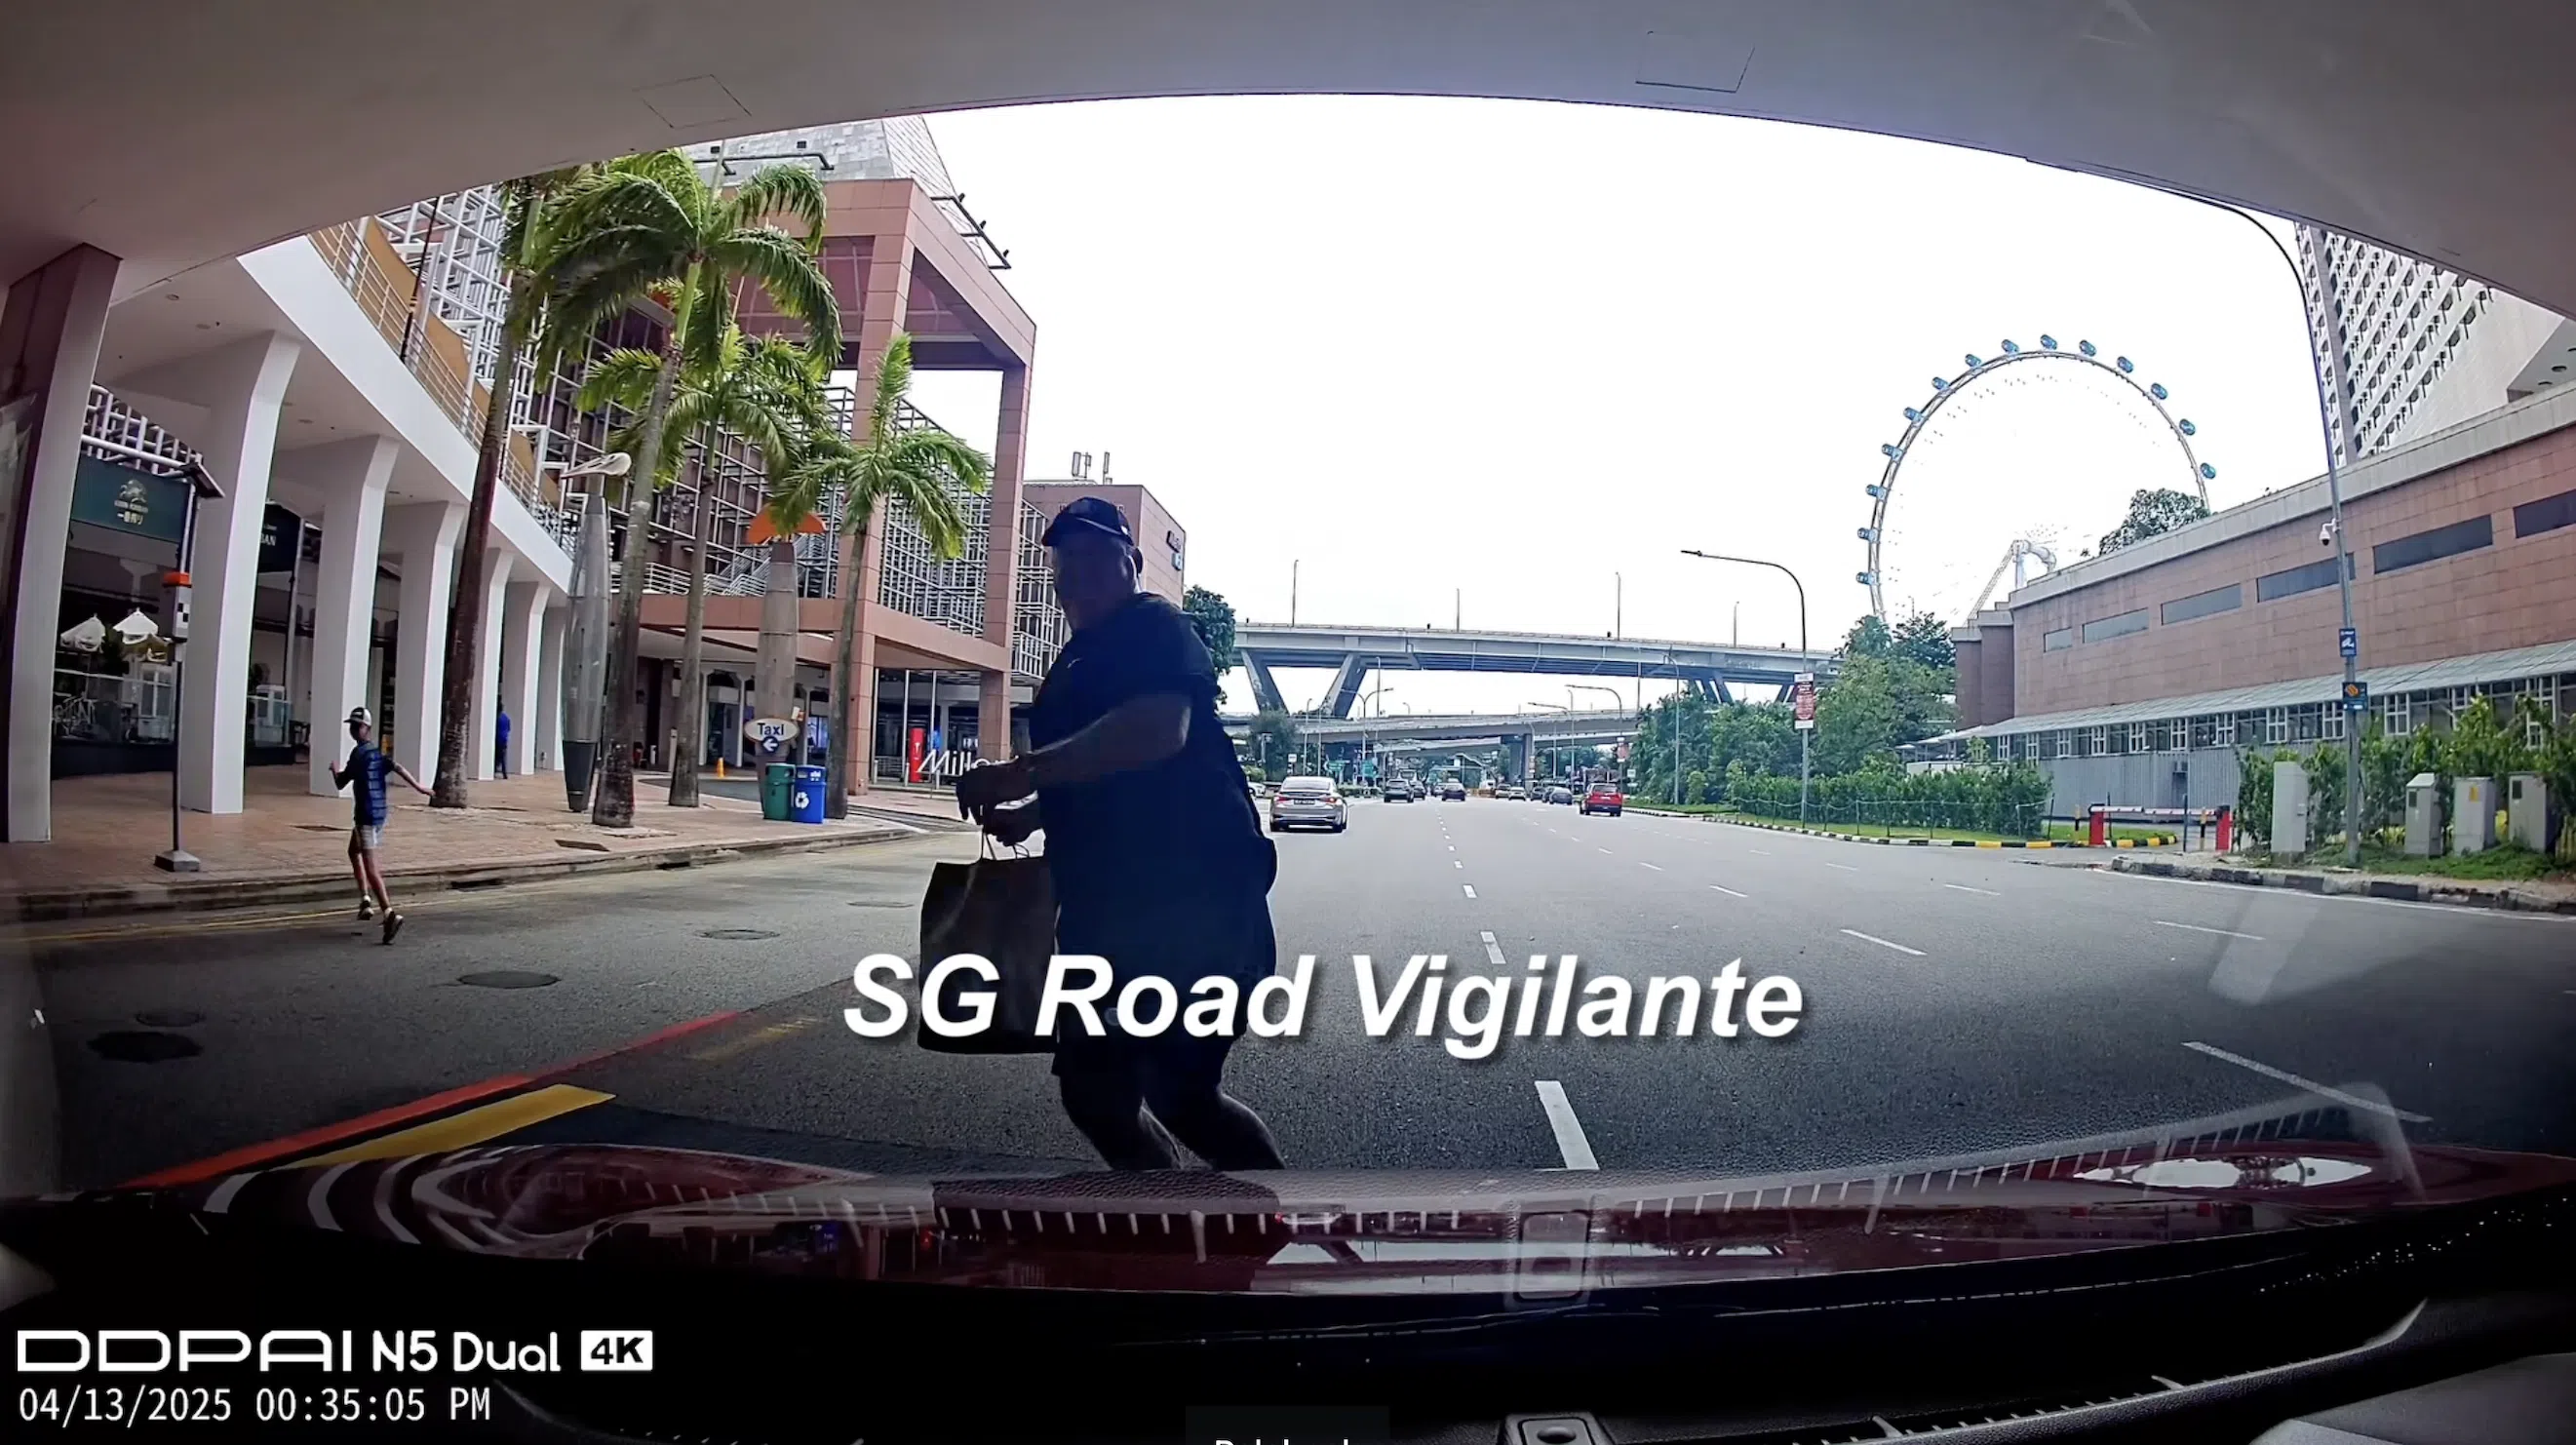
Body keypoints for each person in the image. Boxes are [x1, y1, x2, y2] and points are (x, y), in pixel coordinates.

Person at [955, 496, 1284, 1172]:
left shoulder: (1154, 627)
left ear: (1133, 564)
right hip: (1109, 916)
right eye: (1066, 559)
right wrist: (1036, 812)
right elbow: (1112, 775)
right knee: (1095, 1094)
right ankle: (1159, 1221)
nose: (1079, 572)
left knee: (1181, 1093)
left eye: (1098, 556)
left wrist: (1022, 774)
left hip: (1192, 915)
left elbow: (1161, 730)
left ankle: (1273, 1224)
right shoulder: (1075, 659)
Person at [333, 707, 429, 943]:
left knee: (371, 867)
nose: (354, 730)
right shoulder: (376, 753)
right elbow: (398, 767)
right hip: (378, 814)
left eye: (358, 726)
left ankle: (389, 913)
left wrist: (334, 770)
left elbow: (340, 783)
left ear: (367, 728)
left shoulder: (359, 755)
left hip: (366, 816)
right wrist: (419, 787)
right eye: (352, 726)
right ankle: (365, 900)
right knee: (352, 851)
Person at [495, 705, 512, 780]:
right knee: (502, 757)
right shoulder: (506, 718)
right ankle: (504, 773)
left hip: (498, 739)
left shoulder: (497, 718)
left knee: (497, 756)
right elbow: (508, 729)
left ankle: (495, 770)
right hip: (504, 739)